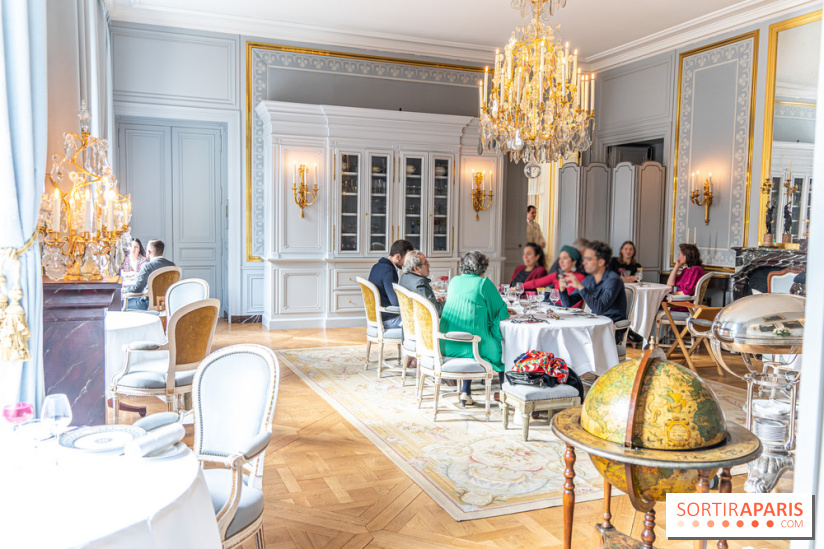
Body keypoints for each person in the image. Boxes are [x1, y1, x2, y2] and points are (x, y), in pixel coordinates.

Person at [439, 251, 509, 407]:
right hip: (473, 346)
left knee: (470, 330)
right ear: (483, 268)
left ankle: (466, 391)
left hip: (448, 343)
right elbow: (502, 311)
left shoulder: (454, 281)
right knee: (505, 351)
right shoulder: (483, 284)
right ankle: (506, 395)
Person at [559, 241, 627, 326]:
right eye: (584, 259)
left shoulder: (613, 280)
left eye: (588, 259)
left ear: (601, 262)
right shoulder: (590, 279)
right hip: (595, 323)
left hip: (611, 327)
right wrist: (562, 289)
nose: (584, 263)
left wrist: (580, 286)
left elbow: (599, 309)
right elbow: (568, 304)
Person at [368, 239, 414, 329]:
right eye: (407, 259)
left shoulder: (377, 266)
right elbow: (395, 302)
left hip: (378, 317)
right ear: (398, 257)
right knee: (422, 318)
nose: (409, 263)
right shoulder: (389, 271)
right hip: (388, 320)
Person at [123, 239, 176, 310]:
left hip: (148, 303)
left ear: (148, 252)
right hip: (167, 303)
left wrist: (124, 290)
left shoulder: (148, 267)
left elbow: (138, 289)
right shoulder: (172, 265)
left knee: (120, 303)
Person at [399, 250, 443, 316]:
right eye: (425, 263)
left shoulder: (404, 277)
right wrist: (450, 303)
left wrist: (437, 302)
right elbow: (435, 310)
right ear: (416, 268)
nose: (429, 265)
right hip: (423, 322)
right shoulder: (420, 282)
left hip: (410, 319)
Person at [665, 243, 705, 310]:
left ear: (686, 256)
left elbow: (686, 293)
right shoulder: (686, 270)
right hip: (678, 300)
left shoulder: (695, 270)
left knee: (656, 301)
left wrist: (670, 294)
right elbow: (670, 284)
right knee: (655, 301)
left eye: (680, 254)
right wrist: (677, 266)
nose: (678, 257)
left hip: (685, 303)